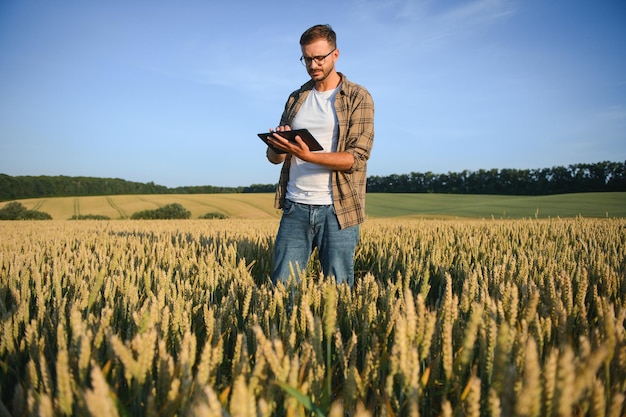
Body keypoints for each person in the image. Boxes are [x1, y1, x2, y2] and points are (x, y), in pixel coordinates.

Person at [265, 24, 374, 287]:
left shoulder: (358, 97)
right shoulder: (296, 98)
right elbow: (275, 159)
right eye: (307, 58)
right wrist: (279, 145)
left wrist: (307, 155)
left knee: (338, 293)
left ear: (335, 55)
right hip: (295, 206)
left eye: (319, 58)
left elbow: (356, 159)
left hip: (338, 210)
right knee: (282, 290)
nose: (313, 65)